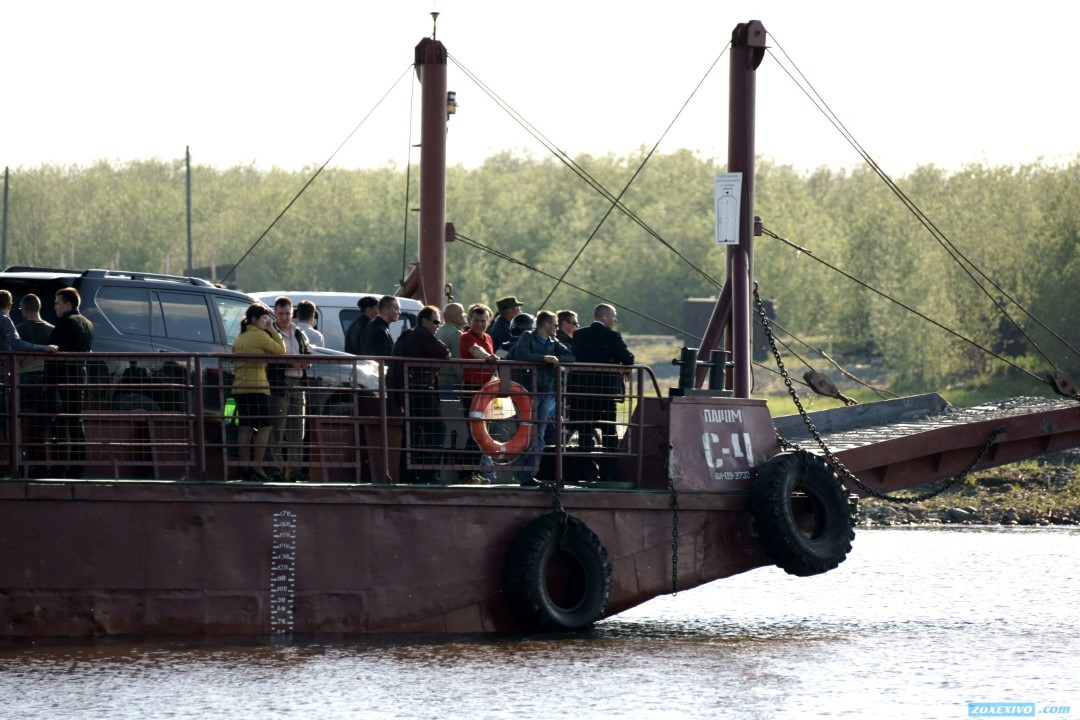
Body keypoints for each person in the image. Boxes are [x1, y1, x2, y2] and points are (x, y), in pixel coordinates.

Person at [569, 303, 634, 483]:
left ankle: (586, 471)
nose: (615, 320)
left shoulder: (578, 334)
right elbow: (628, 359)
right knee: (609, 432)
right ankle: (608, 472)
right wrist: (619, 365)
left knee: (585, 432)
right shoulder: (612, 336)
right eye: (614, 317)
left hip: (581, 391)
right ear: (605, 317)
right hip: (604, 392)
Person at [509, 310, 574, 486]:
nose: (556, 328)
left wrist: (555, 359)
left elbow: (570, 356)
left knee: (540, 434)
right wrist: (545, 359)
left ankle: (529, 473)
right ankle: (520, 471)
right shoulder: (527, 337)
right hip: (527, 391)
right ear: (546, 325)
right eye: (554, 324)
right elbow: (521, 355)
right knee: (526, 431)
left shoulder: (553, 342)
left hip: (545, 391)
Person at [231, 303, 285, 482]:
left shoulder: (240, 338)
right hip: (257, 387)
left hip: (239, 387)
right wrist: (272, 329)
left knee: (245, 427)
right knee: (265, 426)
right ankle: (257, 465)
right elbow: (280, 350)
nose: (266, 321)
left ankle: (244, 466)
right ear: (254, 319)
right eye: (264, 318)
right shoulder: (260, 336)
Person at [398, 305, 451, 483]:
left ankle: (410, 474)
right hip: (421, 389)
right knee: (436, 429)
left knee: (414, 432)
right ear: (424, 321)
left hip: (412, 388)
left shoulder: (411, 334)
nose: (438, 325)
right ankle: (429, 473)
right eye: (435, 321)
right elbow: (444, 352)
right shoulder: (422, 334)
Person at [46, 287, 94, 479]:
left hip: (62, 378)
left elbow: (54, 353)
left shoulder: (65, 322)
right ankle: (77, 466)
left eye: (58, 303)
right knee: (76, 421)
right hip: (80, 376)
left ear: (68, 303)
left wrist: (48, 382)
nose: (55, 307)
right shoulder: (88, 323)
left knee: (59, 421)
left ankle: (58, 466)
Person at [269, 296, 313, 482]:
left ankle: (293, 473)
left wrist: (306, 361)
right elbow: (269, 360)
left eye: (287, 313)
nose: (285, 317)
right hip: (280, 383)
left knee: (298, 432)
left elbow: (308, 352)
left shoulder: (298, 332)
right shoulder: (270, 333)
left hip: (298, 384)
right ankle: (276, 472)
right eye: (281, 314)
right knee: (277, 430)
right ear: (275, 314)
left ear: (292, 313)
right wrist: (290, 363)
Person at [13, 294, 57, 476]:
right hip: (46, 380)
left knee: (20, 423)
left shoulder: (19, 330)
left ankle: (24, 463)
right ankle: (43, 464)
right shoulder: (52, 330)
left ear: (25, 310)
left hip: (24, 379)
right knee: (43, 424)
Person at [459, 303, 499, 484]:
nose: (479, 324)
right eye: (476, 320)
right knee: (473, 432)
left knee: (482, 433)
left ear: (488, 322)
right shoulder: (466, 337)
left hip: (487, 390)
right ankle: (466, 473)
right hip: (472, 390)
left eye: (483, 321)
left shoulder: (489, 337)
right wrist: (489, 358)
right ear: (469, 320)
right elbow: (476, 351)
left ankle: (476, 471)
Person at [435, 302, 466, 396]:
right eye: (462, 312)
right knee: (453, 410)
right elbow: (458, 363)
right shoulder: (456, 334)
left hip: (439, 382)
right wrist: (463, 383)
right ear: (453, 317)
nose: (465, 315)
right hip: (451, 384)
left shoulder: (439, 331)